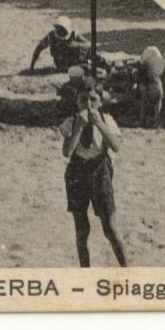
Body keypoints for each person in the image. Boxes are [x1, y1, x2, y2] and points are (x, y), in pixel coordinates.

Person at [60, 82, 128, 267]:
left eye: (93, 100)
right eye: (83, 99)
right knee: (82, 231)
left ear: (100, 102)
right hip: (77, 173)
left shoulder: (106, 119)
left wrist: (98, 123)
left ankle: (128, 271)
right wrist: (79, 127)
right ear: (77, 101)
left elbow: (115, 146)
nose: (88, 104)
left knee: (110, 229)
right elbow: (67, 152)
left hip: (100, 172)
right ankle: (85, 273)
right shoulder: (71, 122)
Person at [136, 46, 165, 129]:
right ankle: (157, 122)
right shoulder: (163, 63)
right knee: (158, 101)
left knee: (143, 102)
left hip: (146, 86)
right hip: (155, 85)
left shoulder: (146, 63)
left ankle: (141, 121)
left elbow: (141, 77)